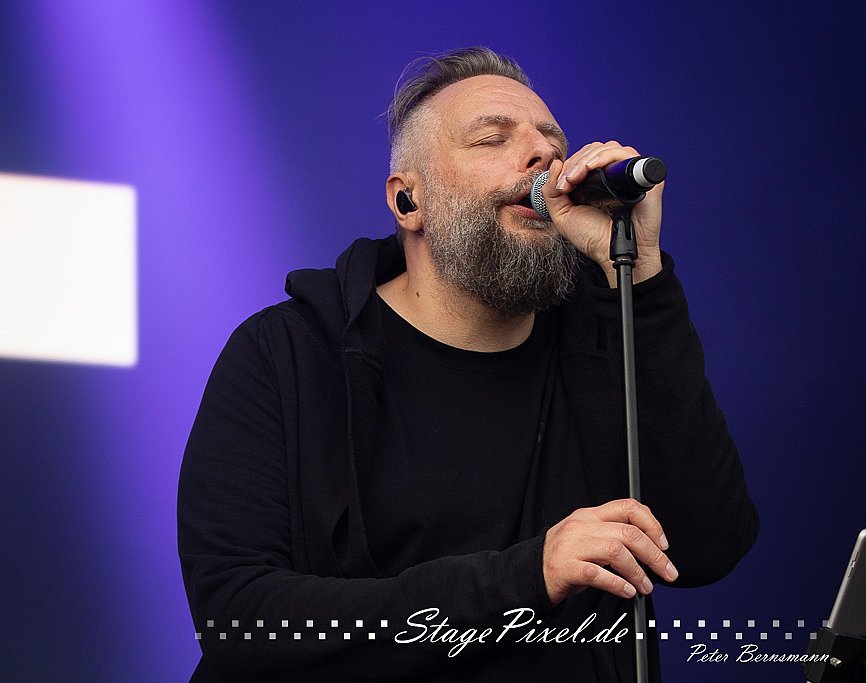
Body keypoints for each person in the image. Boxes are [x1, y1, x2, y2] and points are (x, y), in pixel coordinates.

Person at [178, 46, 758, 682]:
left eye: (552, 142)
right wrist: (526, 577)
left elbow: (707, 546)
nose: (542, 156)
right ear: (408, 202)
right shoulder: (289, 354)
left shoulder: (601, 340)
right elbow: (239, 618)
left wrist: (640, 276)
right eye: (492, 139)